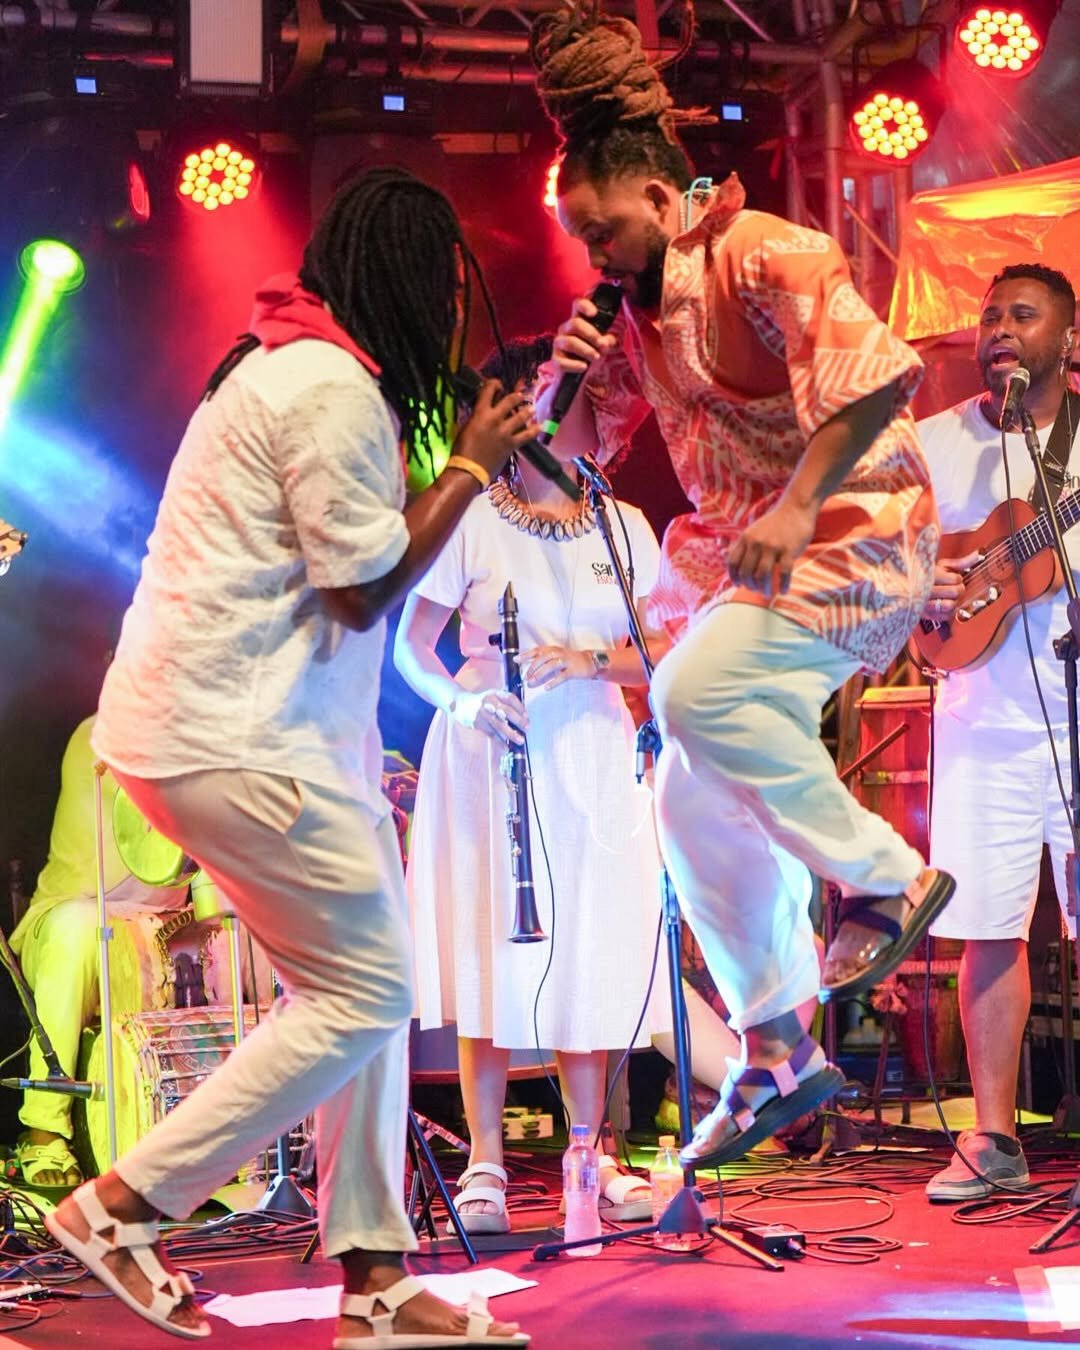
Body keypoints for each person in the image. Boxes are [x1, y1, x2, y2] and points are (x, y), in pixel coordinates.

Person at [44, 168, 533, 1347]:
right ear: (404, 283)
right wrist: (468, 467)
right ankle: (123, 1206)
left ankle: (375, 1283)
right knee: (369, 989)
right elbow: (363, 587)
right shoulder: (325, 388)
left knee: (360, 986)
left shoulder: (295, 366)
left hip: (249, 731)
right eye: (444, 291)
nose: (450, 318)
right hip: (235, 735)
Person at [527, 1, 954, 1170]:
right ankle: (777, 1050)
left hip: (859, 528)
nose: (593, 253)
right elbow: (567, 461)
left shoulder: (765, 249)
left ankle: (886, 878)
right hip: (757, 561)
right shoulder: (631, 319)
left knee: (690, 692)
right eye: (579, 238)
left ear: (658, 198)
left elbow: (877, 381)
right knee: (683, 792)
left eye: (602, 228)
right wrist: (562, 380)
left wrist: (799, 504)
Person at [396, 334, 670, 1233]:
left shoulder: (625, 527)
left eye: (573, 393)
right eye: (542, 395)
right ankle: (486, 1163)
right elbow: (411, 649)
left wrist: (591, 661)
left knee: (588, 947)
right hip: (491, 748)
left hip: (592, 748)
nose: (561, 410)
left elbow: (666, 651)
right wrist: (464, 703)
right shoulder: (471, 517)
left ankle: (590, 1154)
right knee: (494, 952)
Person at [916, 262, 1078, 1200]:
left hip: (1077, 708)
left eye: (1023, 315)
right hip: (982, 722)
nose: (1001, 330)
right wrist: (917, 587)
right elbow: (873, 563)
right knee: (986, 926)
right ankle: (992, 1137)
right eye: (989, 318)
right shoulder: (933, 443)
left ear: (1069, 338)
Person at [10, 715, 216, 1189]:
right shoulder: (100, 736)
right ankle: (44, 1130)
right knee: (79, 930)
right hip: (75, 912)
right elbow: (151, 854)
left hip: (169, 923)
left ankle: (285, 1130)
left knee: (256, 935)